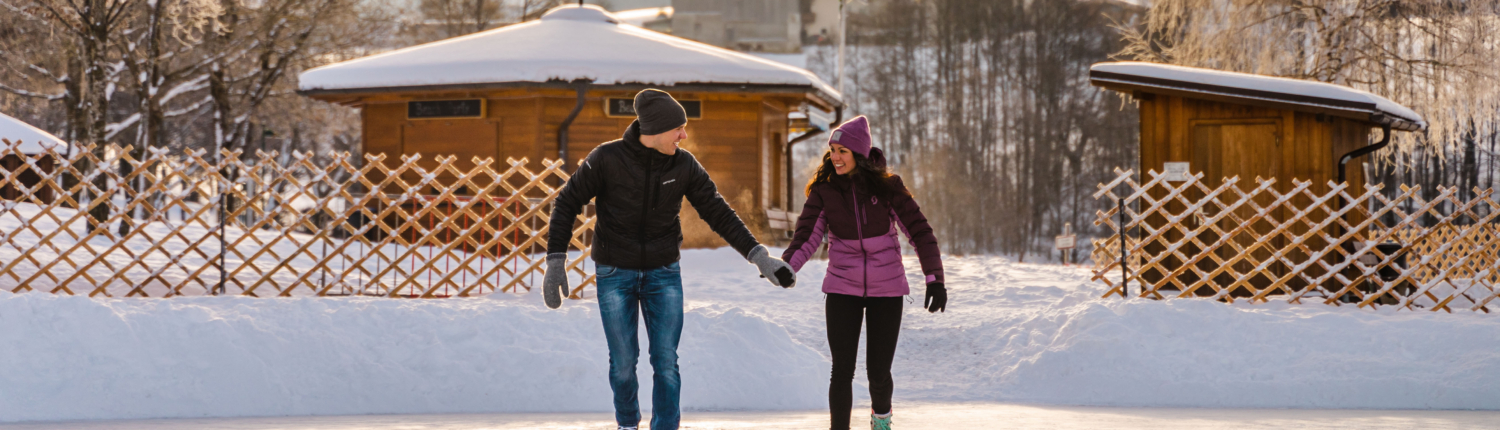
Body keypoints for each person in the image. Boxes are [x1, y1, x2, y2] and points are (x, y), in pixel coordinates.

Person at [540, 89, 796, 430]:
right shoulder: (606, 159)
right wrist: (556, 259)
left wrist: (759, 257)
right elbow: (567, 203)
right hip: (615, 271)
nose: (684, 135)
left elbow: (718, 212)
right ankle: (628, 423)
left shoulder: (684, 164)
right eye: (679, 128)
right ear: (657, 129)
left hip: (663, 272)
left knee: (666, 362)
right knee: (622, 363)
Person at [781, 116, 947, 430]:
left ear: (859, 153)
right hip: (842, 287)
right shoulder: (824, 192)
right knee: (841, 370)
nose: (836, 157)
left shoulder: (888, 188)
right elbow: (807, 237)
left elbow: (920, 232)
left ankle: (881, 421)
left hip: (887, 291)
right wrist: (787, 266)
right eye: (832, 150)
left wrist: (934, 278)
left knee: (879, 373)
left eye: (843, 150)